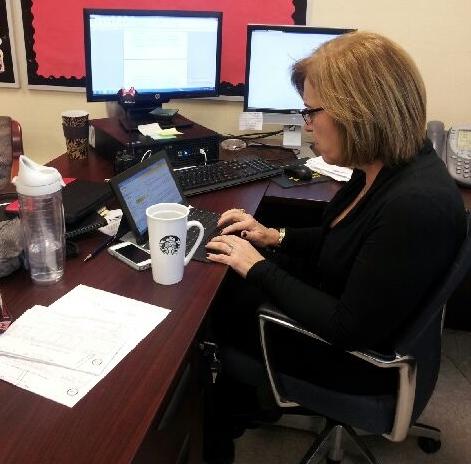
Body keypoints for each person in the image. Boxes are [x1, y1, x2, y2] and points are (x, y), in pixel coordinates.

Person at [203, 31, 466, 463]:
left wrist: (257, 267)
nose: (306, 124)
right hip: (352, 309)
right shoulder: (382, 168)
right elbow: (342, 239)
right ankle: (244, 406)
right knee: (232, 277)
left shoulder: (414, 206)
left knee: (210, 315)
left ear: (357, 111)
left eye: (311, 112)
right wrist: (273, 237)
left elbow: (348, 328)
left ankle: (218, 431)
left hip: (356, 362)